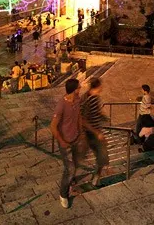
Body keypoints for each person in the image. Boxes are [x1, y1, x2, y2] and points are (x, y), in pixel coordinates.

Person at [51, 79, 85, 209]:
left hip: (76, 138)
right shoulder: (61, 105)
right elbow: (53, 126)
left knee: (75, 163)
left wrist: (80, 132)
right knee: (69, 168)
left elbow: (79, 116)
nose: (80, 88)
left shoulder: (77, 100)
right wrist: (62, 142)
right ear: (74, 90)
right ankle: (63, 195)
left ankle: (71, 182)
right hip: (65, 141)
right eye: (79, 87)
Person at [81, 78, 109, 187]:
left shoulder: (89, 97)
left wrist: (103, 117)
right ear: (97, 87)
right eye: (101, 86)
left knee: (100, 155)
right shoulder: (90, 99)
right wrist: (97, 132)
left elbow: (95, 112)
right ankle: (96, 179)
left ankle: (96, 178)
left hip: (92, 132)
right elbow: (83, 119)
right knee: (102, 156)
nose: (102, 88)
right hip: (92, 133)